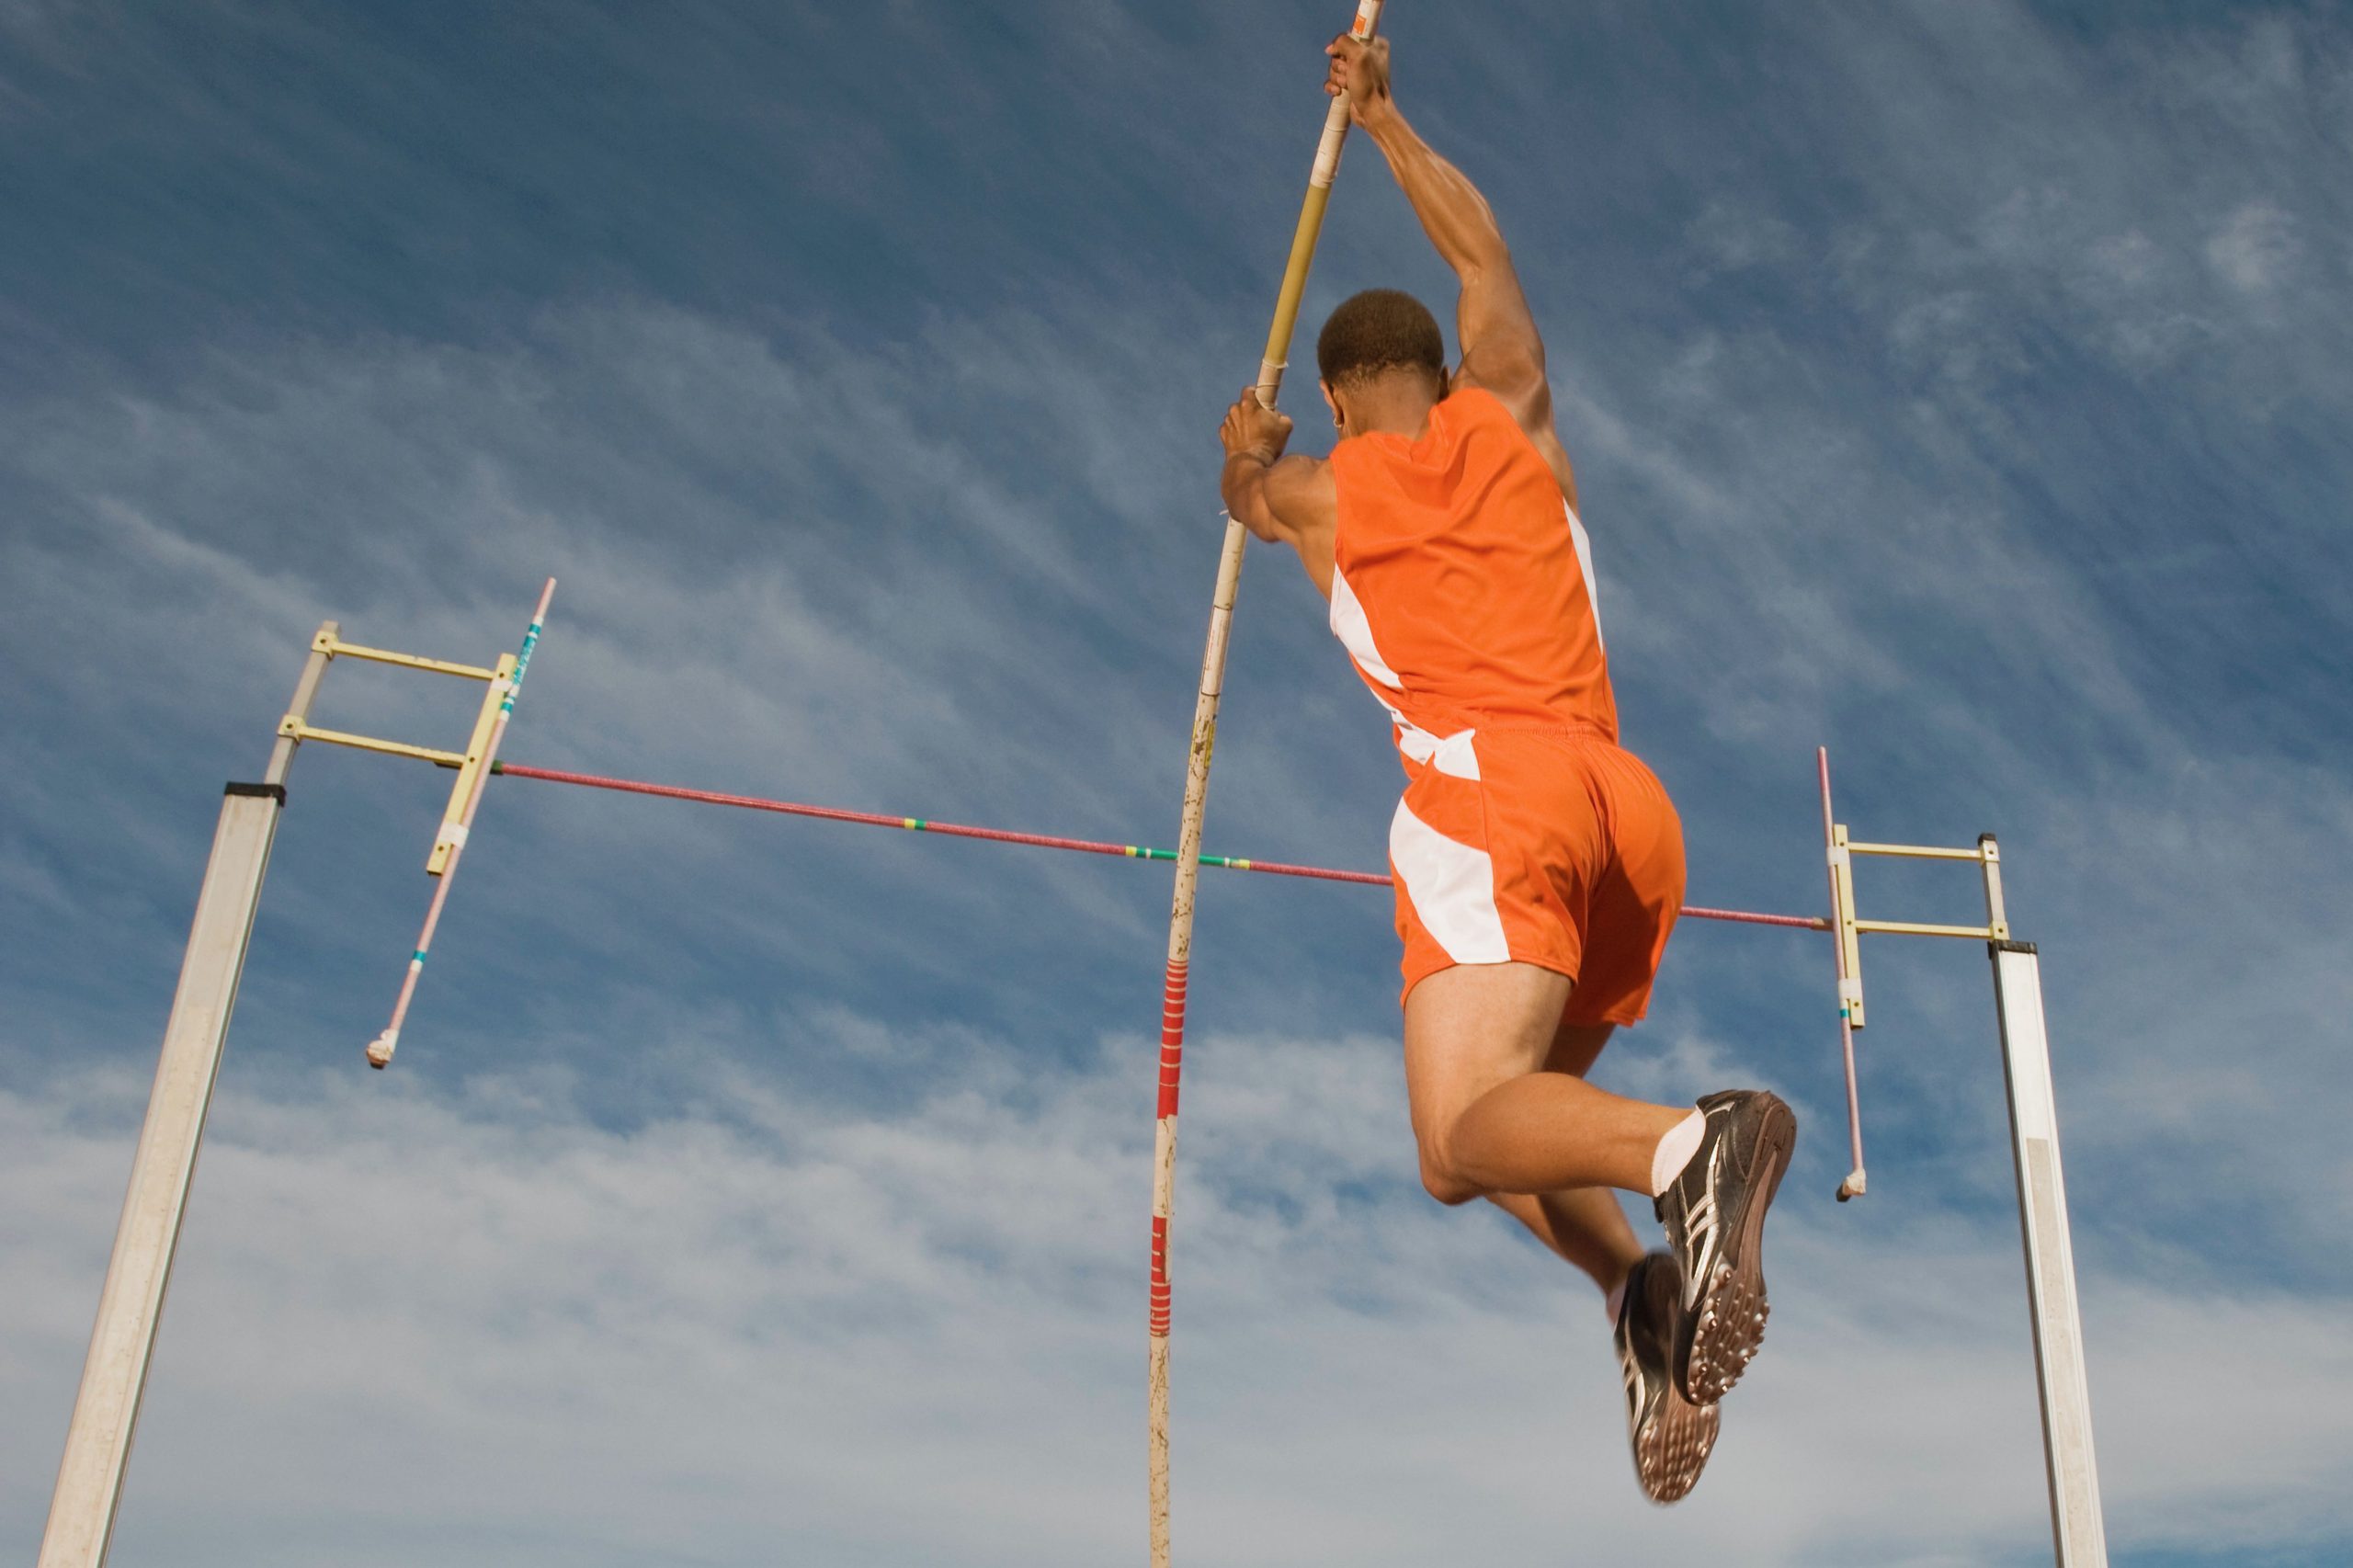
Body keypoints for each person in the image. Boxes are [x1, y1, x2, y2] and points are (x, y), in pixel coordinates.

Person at [1216, 34, 1797, 1504]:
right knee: (1480, 1139)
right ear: (1438, 368)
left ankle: (1692, 1143)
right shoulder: (1516, 409)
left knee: (1471, 1125)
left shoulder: (1320, 494)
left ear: (1342, 399)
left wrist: (1245, 444)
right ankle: (1639, 1294)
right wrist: (1389, 122)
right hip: (1624, 806)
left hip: (1491, 804)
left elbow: (1235, 493)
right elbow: (1485, 248)